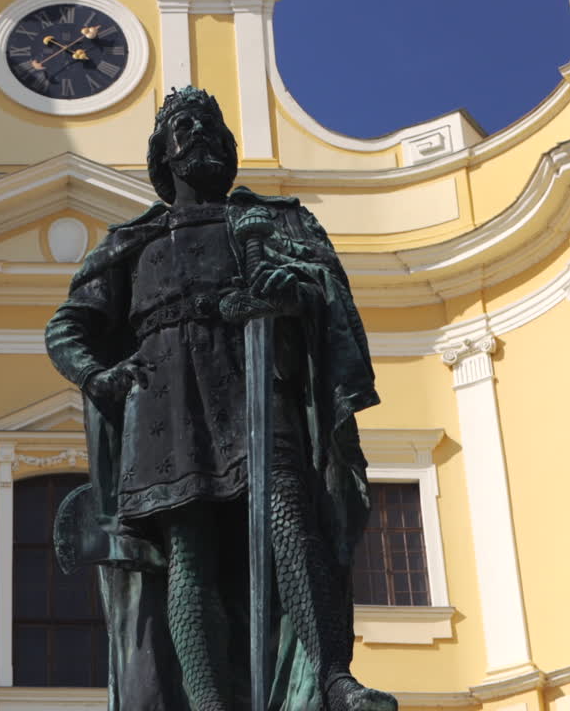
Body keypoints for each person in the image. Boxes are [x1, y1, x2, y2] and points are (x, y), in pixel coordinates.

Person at [45, 86, 397, 711]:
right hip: (163, 405)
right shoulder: (134, 241)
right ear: (163, 154)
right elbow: (68, 326)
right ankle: (207, 701)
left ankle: (332, 676)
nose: (201, 134)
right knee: (189, 552)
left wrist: (293, 289)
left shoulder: (270, 221)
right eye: (185, 126)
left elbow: (325, 294)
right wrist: (97, 376)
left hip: (255, 388)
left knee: (290, 521)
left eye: (211, 125)